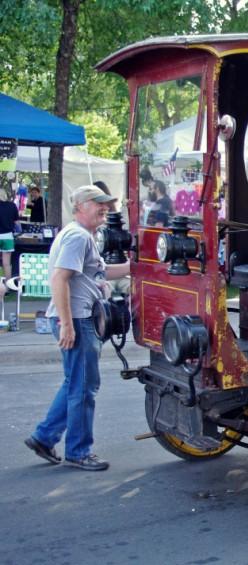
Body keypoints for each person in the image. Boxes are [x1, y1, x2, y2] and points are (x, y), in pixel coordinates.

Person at [24, 185, 130, 471]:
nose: (105, 208)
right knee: (84, 388)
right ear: (81, 206)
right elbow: (60, 279)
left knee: (75, 384)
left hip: (79, 319)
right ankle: (79, 451)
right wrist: (68, 324)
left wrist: (134, 267)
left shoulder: (82, 236)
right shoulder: (77, 237)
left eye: (107, 204)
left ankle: (44, 437)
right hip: (79, 321)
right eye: (99, 204)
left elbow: (98, 272)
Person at [0, 189, 20, 277]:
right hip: (8, 236)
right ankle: (8, 285)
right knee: (7, 263)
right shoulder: (12, 206)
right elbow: (17, 223)